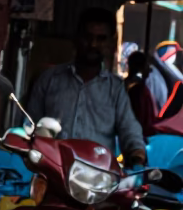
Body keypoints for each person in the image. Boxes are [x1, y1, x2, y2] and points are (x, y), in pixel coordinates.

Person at [28, 8, 146, 167]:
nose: (93, 44)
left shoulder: (115, 89)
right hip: (51, 173)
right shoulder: (49, 80)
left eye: (101, 38)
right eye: (88, 37)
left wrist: (137, 157)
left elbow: (130, 132)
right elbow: (28, 126)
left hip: (97, 181)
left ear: (110, 42)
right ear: (77, 38)